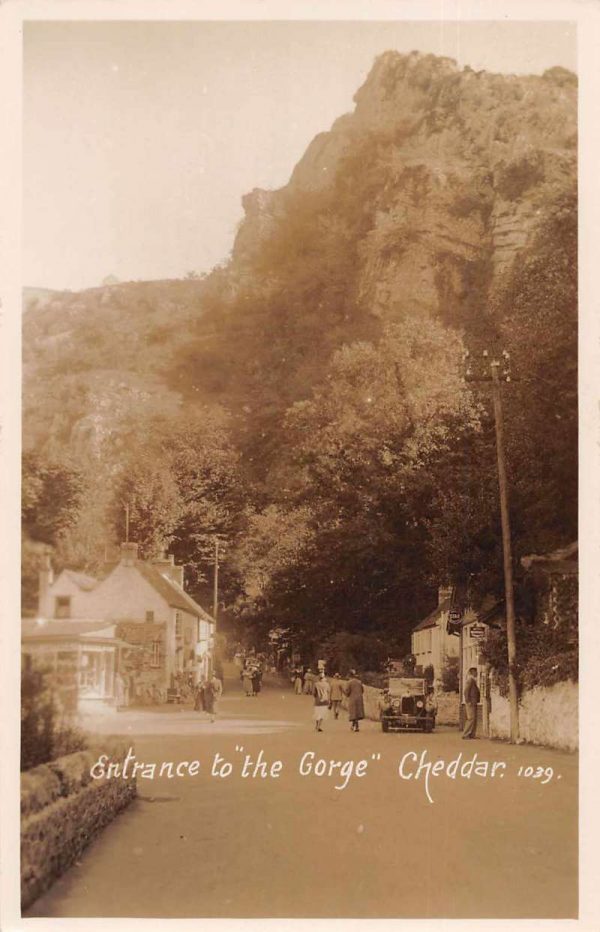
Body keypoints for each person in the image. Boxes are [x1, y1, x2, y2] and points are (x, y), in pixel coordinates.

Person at [462, 667, 480, 739]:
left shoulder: (473, 680)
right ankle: (465, 734)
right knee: (471, 718)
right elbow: (466, 691)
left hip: (473, 702)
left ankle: (472, 734)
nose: (477, 674)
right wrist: (468, 701)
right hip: (470, 702)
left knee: (474, 718)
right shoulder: (470, 680)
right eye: (476, 672)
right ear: (472, 672)